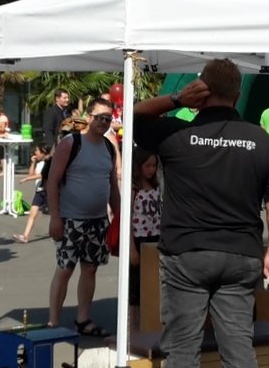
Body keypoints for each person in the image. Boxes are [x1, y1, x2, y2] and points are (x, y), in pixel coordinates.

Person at [133, 58, 269, 368]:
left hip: (187, 254)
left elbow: (132, 116)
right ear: (238, 93)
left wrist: (175, 99)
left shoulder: (177, 133)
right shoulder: (261, 141)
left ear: (201, 90)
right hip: (240, 254)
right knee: (238, 347)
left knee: (182, 349)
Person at [46, 97, 120, 335]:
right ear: (89, 117)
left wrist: (118, 216)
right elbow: (52, 181)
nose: (103, 122)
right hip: (71, 219)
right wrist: (55, 218)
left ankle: (83, 319)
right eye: (99, 118)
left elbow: (112, 186)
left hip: (98, 220)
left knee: (90, 268)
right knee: (65, 268)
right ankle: (54, 322)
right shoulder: (71, 143)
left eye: (107, 119)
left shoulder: (109, 146)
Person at [127, 146, 161, 325]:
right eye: (147, 166)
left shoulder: (156, 186)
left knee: (153, 282)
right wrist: (131, 248)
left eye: (154, 166)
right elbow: (128, 217)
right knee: (135, 285)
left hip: (156, 237)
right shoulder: (134, 189)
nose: (151, 170)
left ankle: (151, 320)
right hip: (138, 239)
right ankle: (133, 324)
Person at [13, 143, 51, 244]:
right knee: (32, 214)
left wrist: (26, 179)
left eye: (37, 151)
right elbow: (31, 174)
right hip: (39, 191)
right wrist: (33, 163)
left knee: (55, 213)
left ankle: (60, 232)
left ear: (43, 152)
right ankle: (25, 236)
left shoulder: (49, 163)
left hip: (48, 190)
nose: (35, 153)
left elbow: (41, 175)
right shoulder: (39, 164)